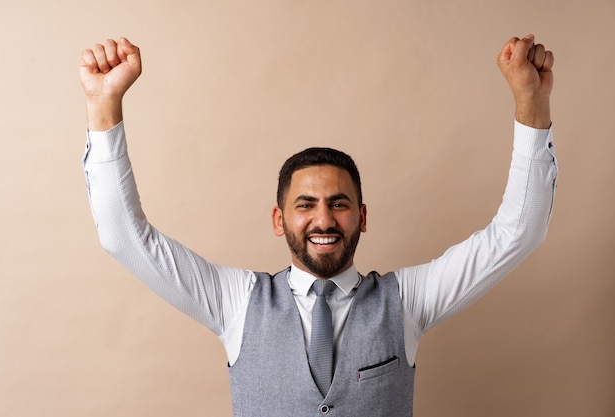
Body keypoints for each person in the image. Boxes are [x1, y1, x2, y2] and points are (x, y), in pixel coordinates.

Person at [80, 34, 557, 416]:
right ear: (278, 219)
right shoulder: (236, 303)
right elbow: (124, 236)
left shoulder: (408, 301)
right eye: (305, 204)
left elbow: (517, 233)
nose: (323, 219)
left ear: (363, 217)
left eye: (340, 204)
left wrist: (530, 105)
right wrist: (104, 108)